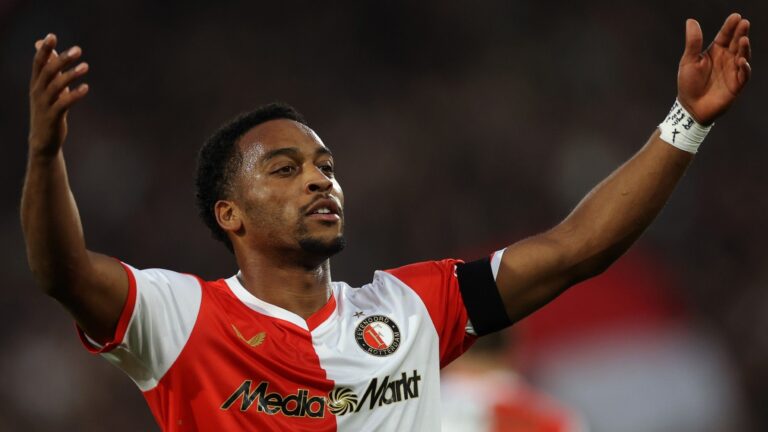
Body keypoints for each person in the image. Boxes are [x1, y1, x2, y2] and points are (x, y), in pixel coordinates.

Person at [21, 13, 751, 432]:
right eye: (285, 169)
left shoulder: (410, 309)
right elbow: (62, 271)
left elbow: (575, 249)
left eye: (325, 165)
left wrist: (685, 122)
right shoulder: (180, 317)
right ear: (229, 215)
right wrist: (46, 154)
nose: (319, 178)